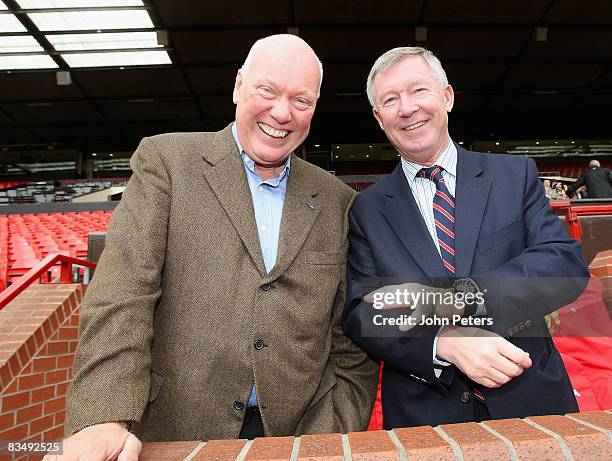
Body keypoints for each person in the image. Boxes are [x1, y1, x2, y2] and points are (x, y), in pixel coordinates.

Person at [49, 35, 378, 461]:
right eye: (268, 90)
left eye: (302, 99)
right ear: (239, 86)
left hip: (295, 437)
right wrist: (104, 417)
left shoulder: (337, 200)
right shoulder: (166, 161)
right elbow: (122, 296)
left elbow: (349, 342)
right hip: (175, 430)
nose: (282, 112)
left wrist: (321, 439)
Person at [342, 46, 588, 429]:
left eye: (419, 90)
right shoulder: (366, 209)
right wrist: (444, 343)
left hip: (530, 398)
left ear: (447, 97)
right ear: (379, 117)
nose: (407, 108)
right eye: (391, 99)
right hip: (423, 415)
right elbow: (362, 312)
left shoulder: (514, 175)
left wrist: (464, 297)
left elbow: (564, 264)